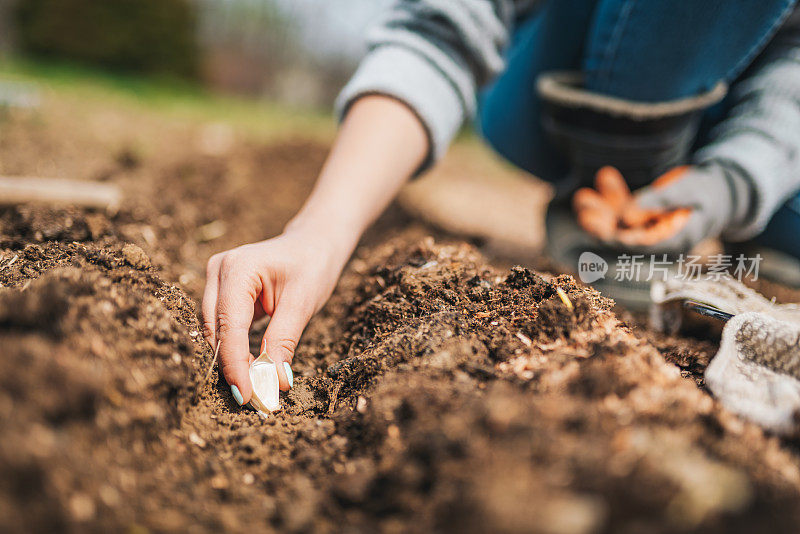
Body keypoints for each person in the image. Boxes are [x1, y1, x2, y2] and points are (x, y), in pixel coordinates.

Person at [203, 0, 800, 406]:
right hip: (559, 76)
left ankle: (714, 197)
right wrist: (321, 232)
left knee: (787, 237)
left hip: (746, 99)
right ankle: (618, 174)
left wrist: (729, 184)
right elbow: (442, 30)